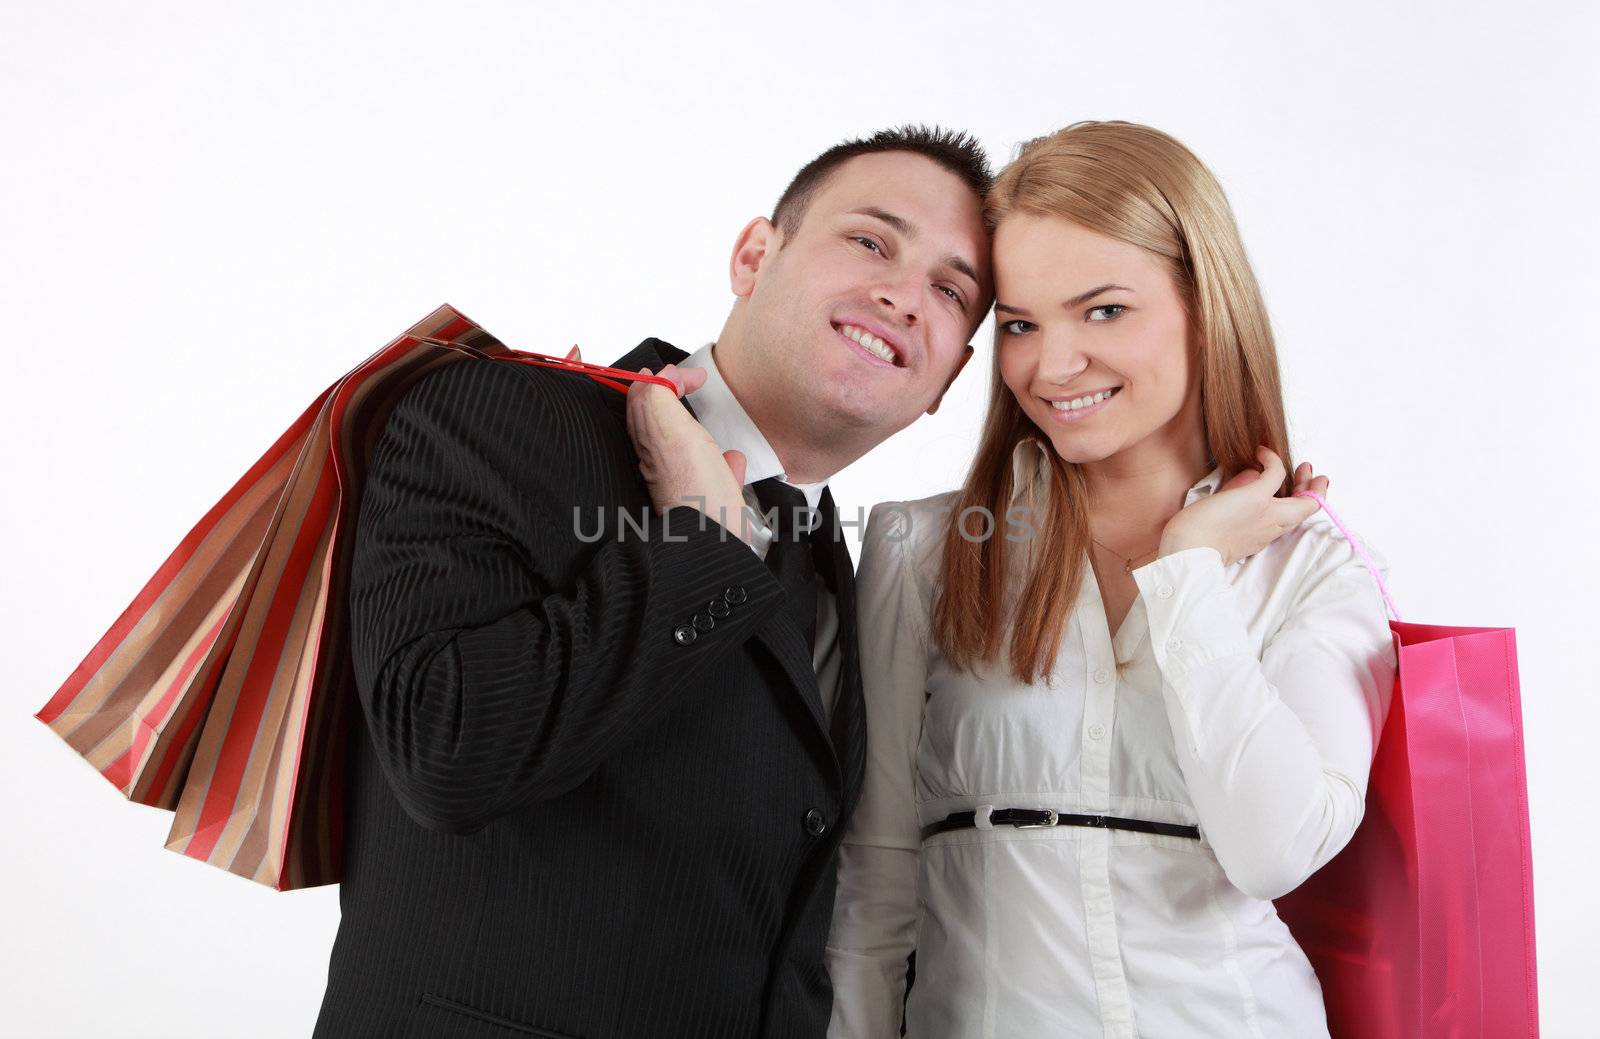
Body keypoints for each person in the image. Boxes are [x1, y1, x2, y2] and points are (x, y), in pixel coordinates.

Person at [312, 125, 994, 1039]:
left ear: (949, 378)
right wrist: (700, 544)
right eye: (872, 241)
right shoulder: (501, 415)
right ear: (755, 255)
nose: (905, 296)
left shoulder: (852, 566)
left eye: (952, 291)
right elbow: (449, 754)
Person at [824, 121, 1397, 1037]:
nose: (1051, 366)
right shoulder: (924, 548)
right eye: (1019, 323)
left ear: (1206, 305)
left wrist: (1189, 572)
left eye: (1103, 310)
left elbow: (1276, 848)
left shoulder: (1309, 564)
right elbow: (874, 884)